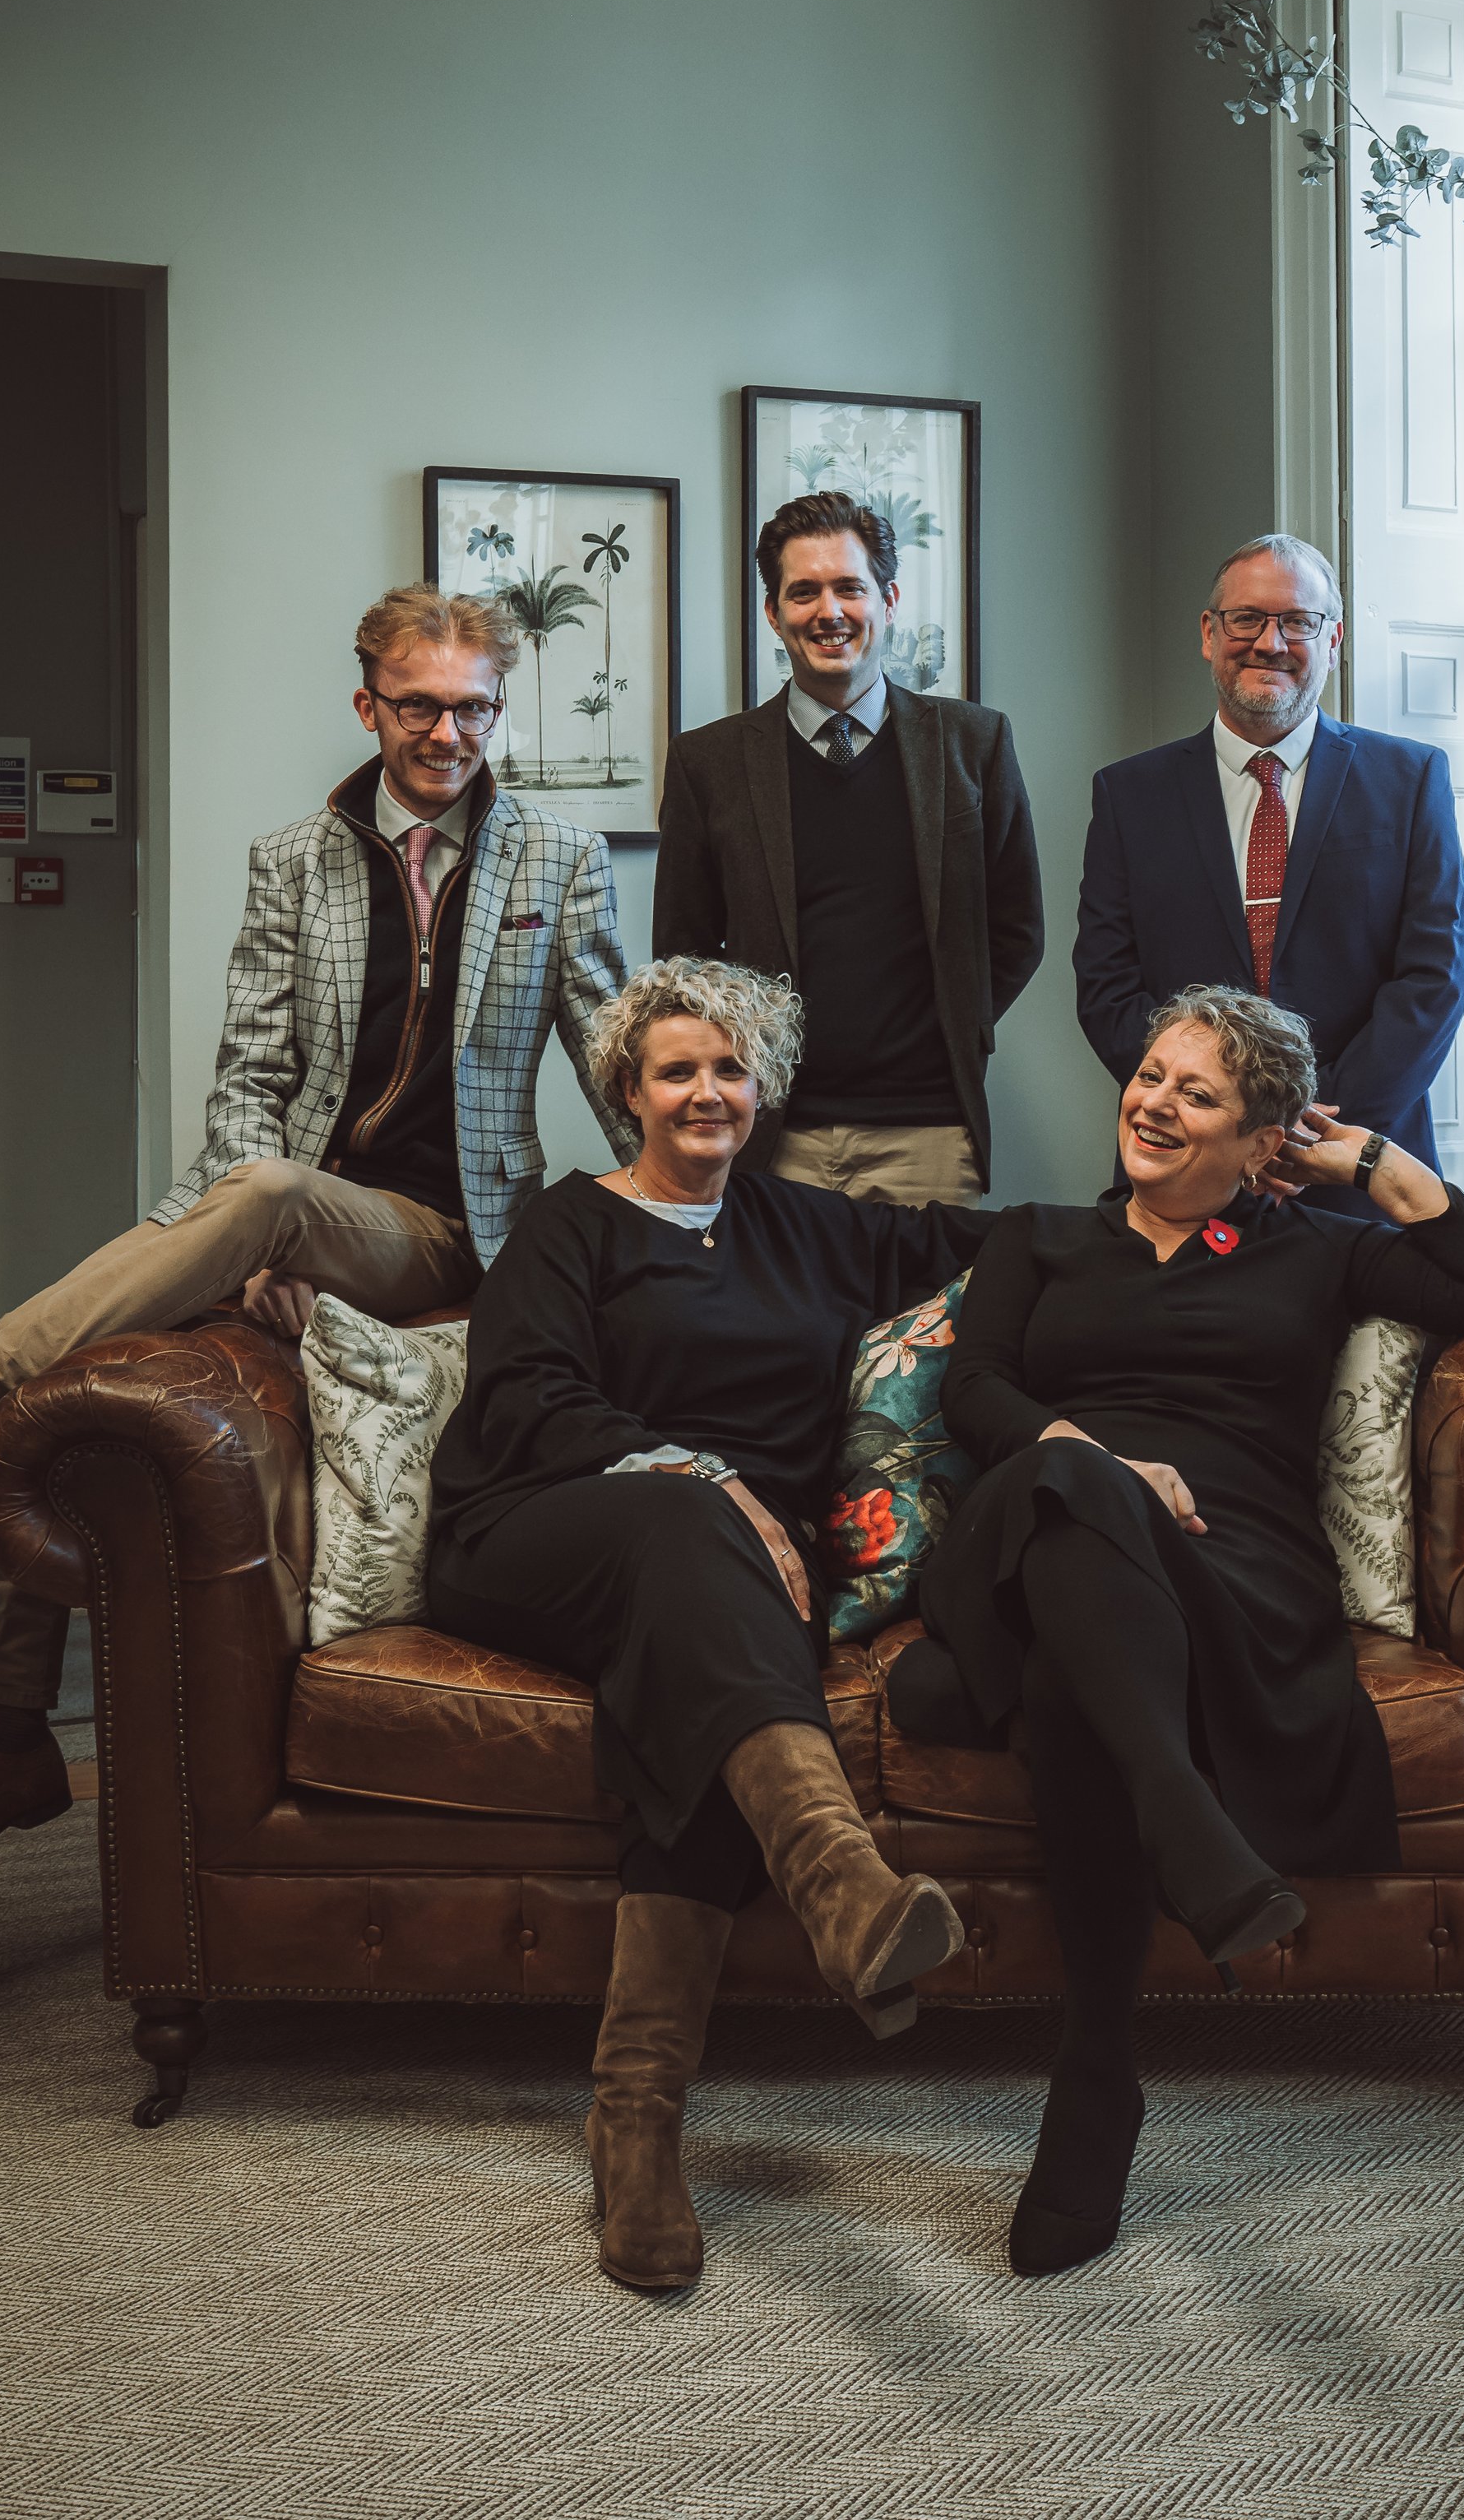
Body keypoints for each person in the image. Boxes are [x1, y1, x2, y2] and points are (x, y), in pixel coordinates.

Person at [0, 584, 633, 1884]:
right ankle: (4, 1738)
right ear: (368, 701)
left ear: (501, 707)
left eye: (474, 707)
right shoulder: (294, 858)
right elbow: (250, 1079)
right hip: (287, 1210)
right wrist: (257, 1247)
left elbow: (615, 1057)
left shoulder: (557, 857)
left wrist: (683, 1206)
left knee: (261, 1194)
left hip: (447, 1229)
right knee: (75, 1387)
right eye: (421, 704)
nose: (448, 731)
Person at [891, 982, 1464, 2276]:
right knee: (1069, 1494)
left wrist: (1362, 1156)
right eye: (1149, 1075)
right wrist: (1102, 1459)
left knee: (1080, 1679)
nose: (1154, 1101)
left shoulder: (1320, 1248)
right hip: (1035, 1523)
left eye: (1199, 1092)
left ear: (1264, 1142)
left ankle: (1097, 2076)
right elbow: (977, 1390)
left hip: (1228, 1572)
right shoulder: (1038, 1236)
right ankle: (1190, 1831)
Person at [425, 954, 993, 2294]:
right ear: (628, 1089)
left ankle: (637, 2123)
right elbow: (527, 1399)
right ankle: (842, 1890)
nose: (706, 1091)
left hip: (731, 1580)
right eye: (675, 1069)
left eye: (730, 1067)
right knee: (694, 1539)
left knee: (699, 1661)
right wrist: (712, 1475)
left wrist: (1230, 1197)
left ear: (765, 1086)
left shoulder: (818, 1227)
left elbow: (1018, 1246)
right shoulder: (572, 1229)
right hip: (542, 1524)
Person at [652, 490, 1043, 1202]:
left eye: (848, 588)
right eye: (803, 592)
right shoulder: (707, 763)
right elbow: (685, 955)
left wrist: (956, 1025)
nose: (828, 612)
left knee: (928, 1319)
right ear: (773, 612)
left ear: (887, 599)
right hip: (771, 1134)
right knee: (774, 1318)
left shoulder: (973, 744)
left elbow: (1017, 929)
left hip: (929, 1132)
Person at [1073, 532, 1464, 1206]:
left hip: (1357, 1164)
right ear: (1209, 632)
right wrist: (1218, 1121)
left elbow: (1433, 978)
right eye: (1247, 619)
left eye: (1298, 621)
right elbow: (1108, 987)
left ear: (1334, 640)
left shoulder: (1409, 779)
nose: (1270, 642)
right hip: (1181, 1167)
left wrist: (1304, 1130)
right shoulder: (1130, 795)